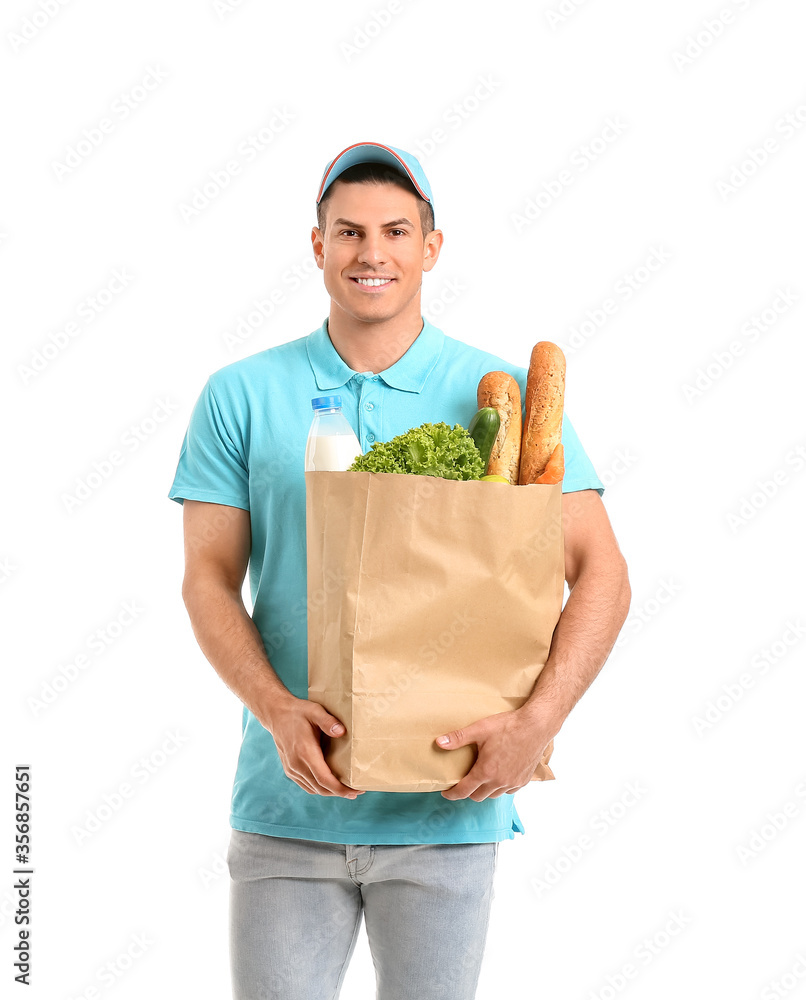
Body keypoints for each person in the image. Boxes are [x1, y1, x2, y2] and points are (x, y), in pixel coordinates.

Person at [168, 141, 631, 1000]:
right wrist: (274, 709)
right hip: (288, 805)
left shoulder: (505, 394)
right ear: (317, 247)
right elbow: (206, 576)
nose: (370, 253)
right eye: (347, 232)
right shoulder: (241, 393)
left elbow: (602, 571)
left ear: (432, 246)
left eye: (394, 231)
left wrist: (537, 723)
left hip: (448, 807)